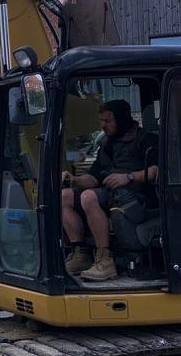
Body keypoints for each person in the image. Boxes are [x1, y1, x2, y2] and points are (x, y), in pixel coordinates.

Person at [61, 99, 158, 281]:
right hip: (110, 194)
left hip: (136, 196)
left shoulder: (146, 139)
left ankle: (105, 260)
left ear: (121, 119)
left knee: (89, 197)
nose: (103, 125)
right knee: (64, 197)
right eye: (102, 121)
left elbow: (156, 171)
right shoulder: (107, 144)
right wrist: (73, 180)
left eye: (108, 121)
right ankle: (80, 253)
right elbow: (94, 177)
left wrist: (128, 177)